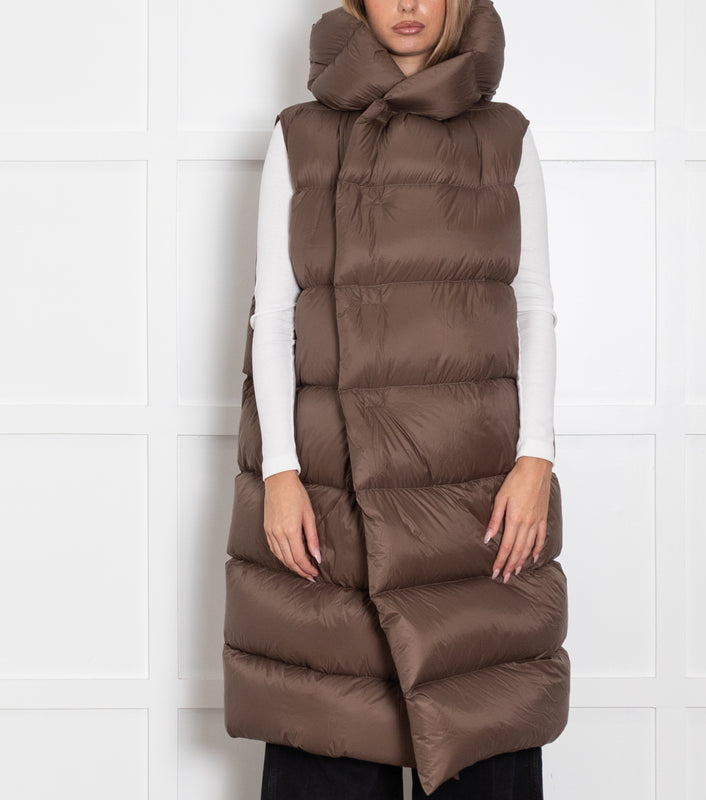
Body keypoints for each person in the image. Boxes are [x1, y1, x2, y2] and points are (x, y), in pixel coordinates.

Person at [223, 1, 570, 797]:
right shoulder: (302, 134)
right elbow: (275, 315)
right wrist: (280, 474)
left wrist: (536, 461)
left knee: (484, 729)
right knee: (330, 733)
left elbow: (532, 304)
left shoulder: (505, 136)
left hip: (474, 495)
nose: (409, 3)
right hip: (330, 498)